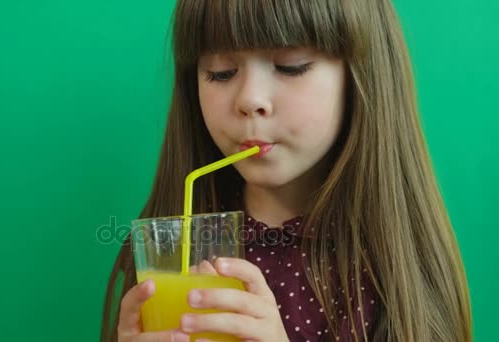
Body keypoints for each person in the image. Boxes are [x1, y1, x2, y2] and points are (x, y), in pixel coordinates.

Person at [101, 0, 473, 341]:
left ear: (361, 75)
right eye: (220, 72)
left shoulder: (386, 270)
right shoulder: (170, 252)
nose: (250, 100)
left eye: (291, 66)